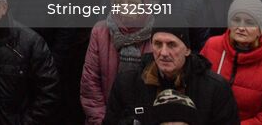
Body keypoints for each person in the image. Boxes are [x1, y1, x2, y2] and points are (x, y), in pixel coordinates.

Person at [100, 26, 240, 125]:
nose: (164, 52)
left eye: (172, 45)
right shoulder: (127, 83)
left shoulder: (215, 89)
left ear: (187, 50)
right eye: (158, 44)